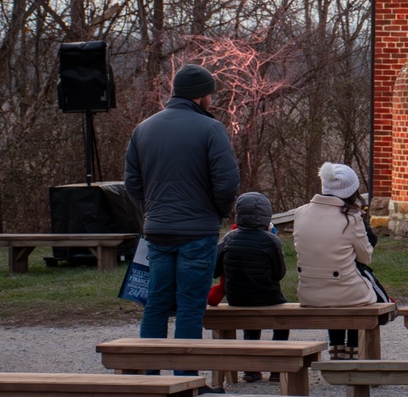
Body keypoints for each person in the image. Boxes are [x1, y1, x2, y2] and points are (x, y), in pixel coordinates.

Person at [124, 63, 240, 394]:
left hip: (157, 231)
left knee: (157, 301)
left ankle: (148, 379)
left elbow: (132, 183)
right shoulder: (211, 129)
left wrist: (152, 210)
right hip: (197, 232)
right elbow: (228, 180)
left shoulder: (143, 129)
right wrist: (216, 211)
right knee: (190, 304)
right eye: (210, 95)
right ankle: (187, 380)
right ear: (201, 96)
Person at [293, 162, 386, 360]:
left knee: (334, 285)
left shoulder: (300, 213)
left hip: (310, 293)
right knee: (353, 292)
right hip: (347, 293)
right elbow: (365, 256)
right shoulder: (351, 218)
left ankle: (337, 348)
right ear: (352, 191)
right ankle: (352, 349)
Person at [213, 191, 289, 384]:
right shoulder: (271, 240)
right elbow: (279, 273)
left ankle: (251, 368)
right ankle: (277, 369)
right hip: (267, 296)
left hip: (236, 297)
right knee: (282, 322)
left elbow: (215, 270)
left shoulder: (229, 238)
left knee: (250, 322)